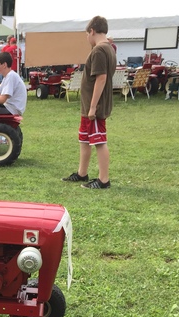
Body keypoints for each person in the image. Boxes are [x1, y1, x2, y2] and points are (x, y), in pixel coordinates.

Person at [61, 15, 116, 190]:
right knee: (84, 138)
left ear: (92, 31)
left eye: (86, 34)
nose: (86, 38)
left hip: (95, 106)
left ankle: (103, 180)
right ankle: (82, 173)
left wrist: (93, 107)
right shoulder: (108, 48)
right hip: (88, 106)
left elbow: (101, 78)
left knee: (99, 140)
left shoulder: (99, 51)